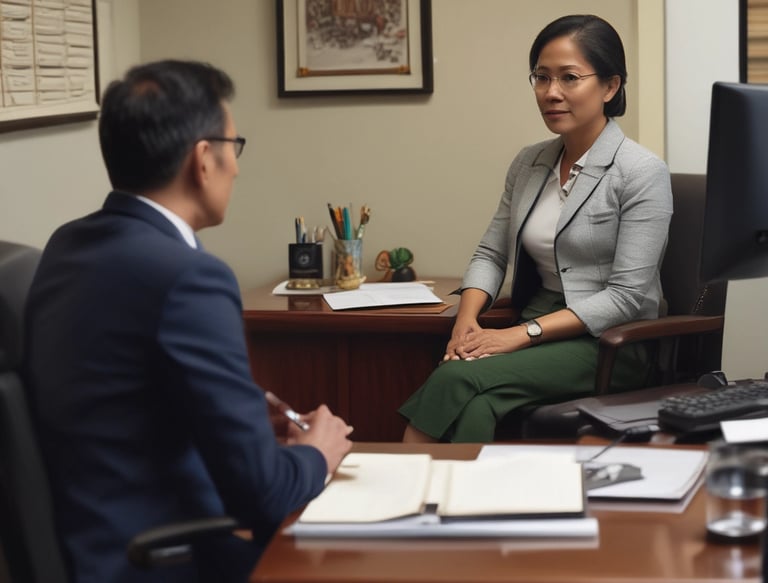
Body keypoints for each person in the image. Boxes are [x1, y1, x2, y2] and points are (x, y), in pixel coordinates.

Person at [24, 60, 353, 583]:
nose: (237, 167)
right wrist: (318, 454)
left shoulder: (69, 244)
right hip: (162, 561)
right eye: (234, 146)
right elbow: (262, 495)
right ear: (203, 159)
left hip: (93, 542)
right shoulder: (189, 277)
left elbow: (125, 399)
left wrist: (248, 425)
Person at [399, 15, 673, 443]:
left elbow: (626, 296)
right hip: (537, 319)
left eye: (569, 78)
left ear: (610, 86)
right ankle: (470, 505)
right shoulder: (530, 163)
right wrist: (466, 321)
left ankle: (410, 494)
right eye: (541, 77)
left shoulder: (641, 172)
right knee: (476, 402)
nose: (551, 93)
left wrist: (519, 335)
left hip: (612, 343)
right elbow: (491, 253)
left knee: (456, 380)